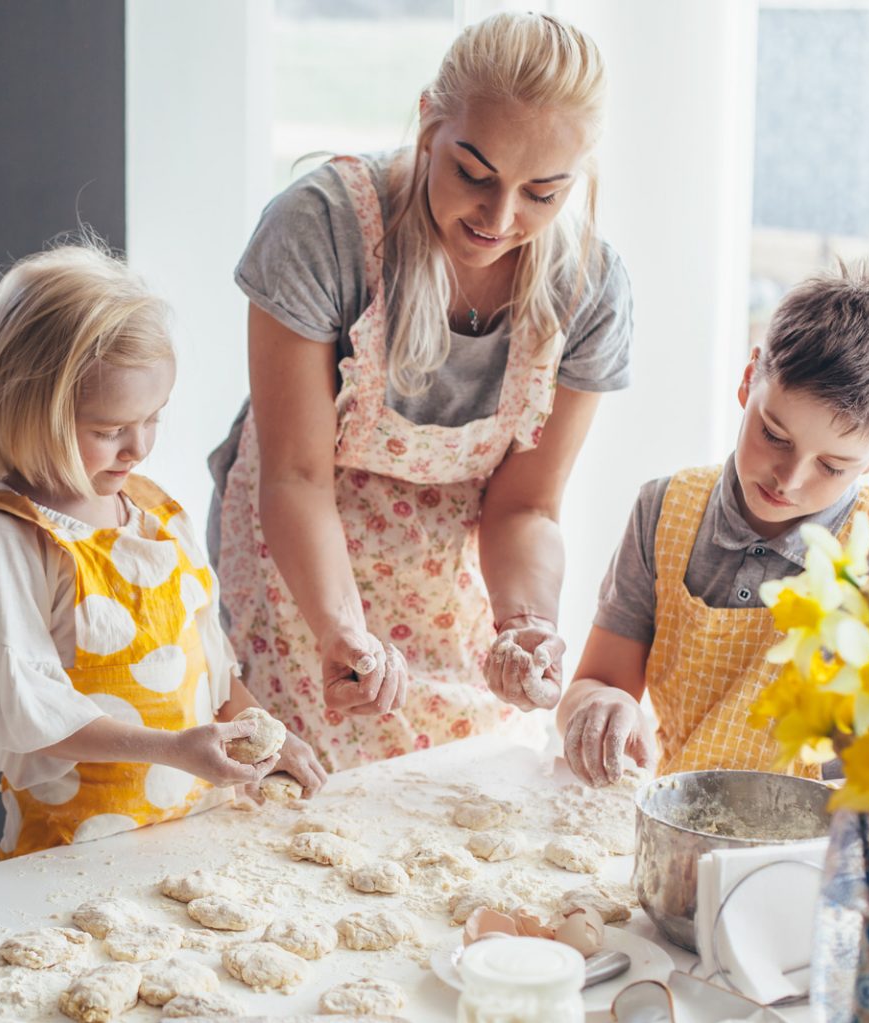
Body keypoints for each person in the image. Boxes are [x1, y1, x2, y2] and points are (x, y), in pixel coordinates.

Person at [210, 12, 633, 771]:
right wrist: (342, 630)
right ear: (428, 120)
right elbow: (296, 475)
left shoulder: (590, 289)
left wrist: (525, 623)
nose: (499, 219)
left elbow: (526, 505)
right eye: (474, 173)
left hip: (450, 580)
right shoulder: (322, 228)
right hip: (302, 565)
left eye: (542, 192)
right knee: (298, 814)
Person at [0, 240, 326, 866]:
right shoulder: (11, 541)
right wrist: (173, 748)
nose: (138, 447)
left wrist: (266, 732)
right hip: (73, 855)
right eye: (109, 431)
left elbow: (212, 675)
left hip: (192, 835)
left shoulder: (158, 515)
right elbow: (34, 715)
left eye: (154, 417)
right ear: (30, 413)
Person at [557, 262, 869, 787]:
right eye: (775, 435)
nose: (789, 478)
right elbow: (597, 683)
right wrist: (601, 705)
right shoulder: (665, 510)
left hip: (815, 849)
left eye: (832, 466)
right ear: (749, 380)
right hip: (679, 822)